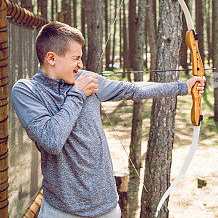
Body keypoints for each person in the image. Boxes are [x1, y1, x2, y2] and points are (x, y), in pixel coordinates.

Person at [11, 21, 205, 218]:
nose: (81, 65)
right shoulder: (27, 91)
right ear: (51, 58)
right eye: (75, 58)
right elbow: (52, 140)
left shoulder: (86, 78)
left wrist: (183, 87)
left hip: (106, 207)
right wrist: (78, 94)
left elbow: (132, 89)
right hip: (61, 210)